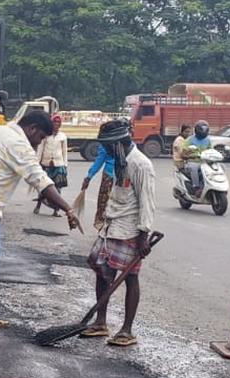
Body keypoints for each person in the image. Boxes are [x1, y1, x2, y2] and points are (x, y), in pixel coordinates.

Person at [0, 109, 80, 328]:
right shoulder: (18, 144)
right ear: (32, 129)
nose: (37, 145)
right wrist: (68, 208)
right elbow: (41, 181)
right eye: (39, 138)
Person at [83, 119, 157, 347]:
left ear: (119, 142)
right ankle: (101, 322)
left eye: (107, 145)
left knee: (130, 278)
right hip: (111, 226)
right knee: (101, 271)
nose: (104, 149)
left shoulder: (141, 164)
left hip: (129, 230)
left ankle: (126, 330)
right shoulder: (118, 160)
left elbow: (147, 201)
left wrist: (143, 235)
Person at [34, 113, 69, 216]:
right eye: (54, 122)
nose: (56, 124)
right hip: (46, 164)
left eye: (58, 122)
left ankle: (56, 210)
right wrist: (37, 163)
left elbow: (64, 152)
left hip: (59, 165)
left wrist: (65, 166)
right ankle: (38, 205)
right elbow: (40, 149)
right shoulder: (46, 135)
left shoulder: (63, 136)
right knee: (43, 187)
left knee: (58, 188)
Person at [80, 142, 119, 231]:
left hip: (109, 176)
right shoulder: (127, 143)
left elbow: (99, 161)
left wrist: (89, 177)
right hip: (117, 176)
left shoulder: (106, 144)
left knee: (103, 202)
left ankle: (102, 224)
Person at [184, 119, 214, 191]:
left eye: (205, 129)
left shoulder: (208, 140)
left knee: (220, 167)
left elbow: (211, 150)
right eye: (202, 129)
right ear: (197, 130)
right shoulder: (190, 139)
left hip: (204, 162)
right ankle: (196, 186)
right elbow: (184, 151)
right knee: (194, 168)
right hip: (193, 161)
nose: (203, 131)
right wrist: (190, 154)